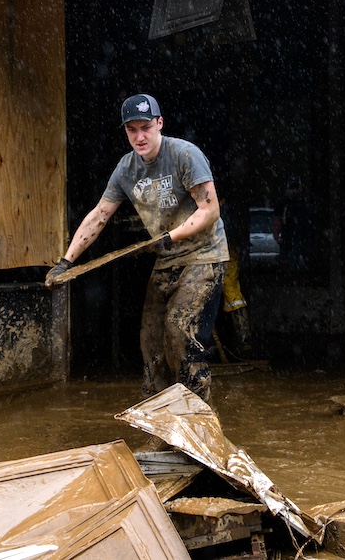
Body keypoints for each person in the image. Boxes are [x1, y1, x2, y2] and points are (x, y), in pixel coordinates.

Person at [53, 94, 229, 401]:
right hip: (167, 261)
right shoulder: (126, 169)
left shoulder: (184, 155)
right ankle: (160, 426)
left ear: (159, 123)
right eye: (132, 130)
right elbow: (99, 215)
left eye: (146, 127)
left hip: (204, 256)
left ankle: (198, 424)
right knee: (151, 343)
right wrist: (66, 261)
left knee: (179, 333)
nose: (140, 136)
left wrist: (170, 237)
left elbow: (210, 210)